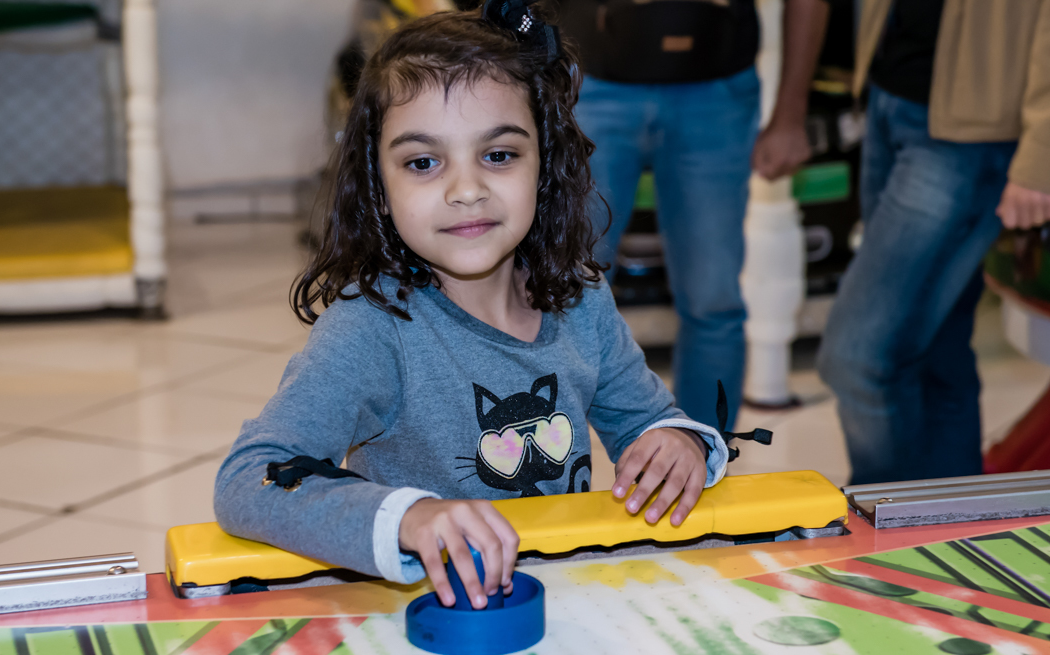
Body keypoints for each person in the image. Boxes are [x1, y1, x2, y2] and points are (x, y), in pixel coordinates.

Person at [214, 2, 729, 611]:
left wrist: (678, 443)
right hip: (426, 620)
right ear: (378, 188)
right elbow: (252, 478)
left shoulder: (581, 297)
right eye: (423, 162)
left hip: (571, 604)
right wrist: (411, 518)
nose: (466, 190)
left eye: (499, 154)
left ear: (544, 166)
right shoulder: (372, 327)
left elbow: (645, 423)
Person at [551, 0, 831, 429]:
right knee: (563, 294)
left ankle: (706, 464)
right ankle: (551, 468)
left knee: (713, 304)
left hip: (717, 90)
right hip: (590, 79)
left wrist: (791, 113)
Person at [816, 0, 1050, 484]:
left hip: (971, 133)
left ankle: (882, 524)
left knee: (857, 357)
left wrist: (1042, 156)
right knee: (937, 348)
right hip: (893, 98)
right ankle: (956, 529)